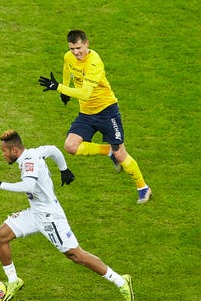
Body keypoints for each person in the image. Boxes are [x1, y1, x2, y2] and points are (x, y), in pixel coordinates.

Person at [0, 129, 134, 301]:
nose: (3, 155)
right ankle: (13, 280)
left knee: (76, 255)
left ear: (14, 150)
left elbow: (28, 184)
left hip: (49, 217)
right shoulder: (34, 152)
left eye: (4, 151)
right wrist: (64, 169)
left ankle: (121, 282)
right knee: (0, 237)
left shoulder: (29, 162)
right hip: (35, 212)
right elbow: (52, 149)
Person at [38, 29, 152, 204]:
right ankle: (107, 151)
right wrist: (66, 88)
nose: (75, 52)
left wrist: (59, 87)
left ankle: (143, 187)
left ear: (87, 44)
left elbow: (85, 94)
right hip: (87, 113)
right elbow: (67, 67)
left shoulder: (94, 63)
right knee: (70, 146)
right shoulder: (69, 57)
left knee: (121, 154)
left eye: (78, 48)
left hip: (107, 111)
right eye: (71, 48)